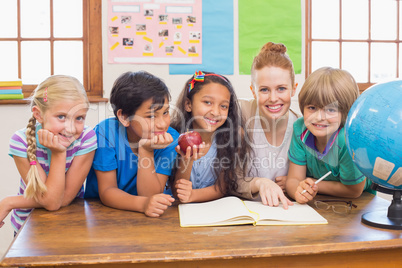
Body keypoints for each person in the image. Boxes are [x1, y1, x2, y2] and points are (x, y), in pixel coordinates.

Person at [0, 75, 97, 232]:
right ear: (38, 114)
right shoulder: (21, 141)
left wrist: (10, 202)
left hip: (69, 224)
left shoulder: (86, 138)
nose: (71, 129)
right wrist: (59, 153)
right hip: (28, 229)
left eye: (79, 118)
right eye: (61, 117)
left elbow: (59, 200)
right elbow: (51, 200)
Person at [84, 71, 178, 217]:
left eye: (165, 112)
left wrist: (146, 151)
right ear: (124, 117)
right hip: (103, 213)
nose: (162, 124)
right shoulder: (106, 133)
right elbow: (107, 191)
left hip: (145, 217)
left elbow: (151, 195)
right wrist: (143, 204)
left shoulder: (170, 139)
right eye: (151, 116)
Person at [285, 67, 374, 204]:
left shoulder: (347, 139)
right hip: (320, 202)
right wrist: (298, 191)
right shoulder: (299, 128)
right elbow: (293, 181)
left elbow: (354, 191)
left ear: (346, 111)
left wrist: (313, 184)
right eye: (312, 108)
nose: (319, 117)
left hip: (358, 205)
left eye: (331, 109)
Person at [169, 71, 250, 203]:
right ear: (188, 104)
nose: (216, 112)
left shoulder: (233, 137)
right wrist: (187, 160)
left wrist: (192, 195)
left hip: (212, 211)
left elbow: (222, 187)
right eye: (207, 102)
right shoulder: (174, 136)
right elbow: (177, 189)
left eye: (223, 106)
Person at [237, 42, 297, 208]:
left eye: (281, 89)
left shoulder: (301, 128)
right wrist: (260, 183)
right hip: (247, 212)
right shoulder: (242, 114)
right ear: (253, 91)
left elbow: (307, 177)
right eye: (264, 90)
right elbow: (230, 181)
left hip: (285, 212)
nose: (273, 98)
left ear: (293, 89)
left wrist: (294, 182)